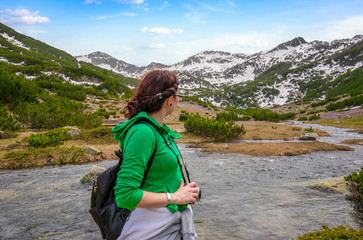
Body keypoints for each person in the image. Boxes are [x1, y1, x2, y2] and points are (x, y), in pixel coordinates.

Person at [112, 70, 199, 240]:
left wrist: (182, 193)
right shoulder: (142, 132)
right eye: (178, 95)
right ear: (169, 100)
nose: (178, 100)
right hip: (152, 230)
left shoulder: (158, 130)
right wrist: (174, 197)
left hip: (165, 224)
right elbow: (125, 195)